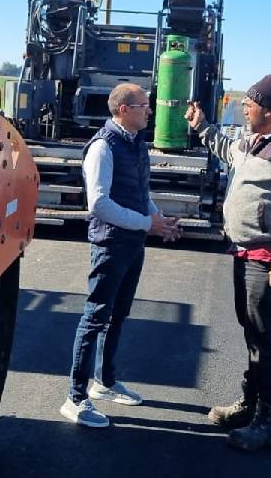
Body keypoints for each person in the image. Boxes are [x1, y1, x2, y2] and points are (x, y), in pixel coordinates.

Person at [185, 73, 271, 452]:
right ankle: (251, 404)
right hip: (246, 250)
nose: (244, 106)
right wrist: (203, 128)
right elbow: (231, 153)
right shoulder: (256, 139)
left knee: (264, 335)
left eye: (250, 101)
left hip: (269, 255)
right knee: (252, 331)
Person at [61, 83, 181, 428]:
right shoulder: (103, 147)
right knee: (95, 317)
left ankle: (105, 382)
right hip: (111, 244)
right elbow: (98, 203)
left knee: (118, 315)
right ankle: (75, 398)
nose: (150, 111)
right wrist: (147, 223)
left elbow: (139, 192)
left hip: (132, 243)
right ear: (123, 109)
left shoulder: (134, 143)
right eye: (144, 105)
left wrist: (157, 220)